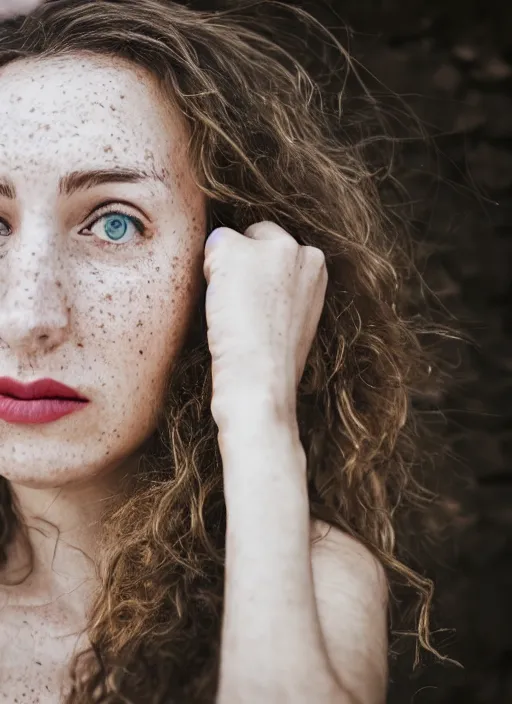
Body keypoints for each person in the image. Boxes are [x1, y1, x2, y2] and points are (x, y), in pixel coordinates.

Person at [0, 0, 442, 702]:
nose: (26, 319)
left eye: (114, 223)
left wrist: (257, 399)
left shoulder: (311, 577)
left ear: (223, 273)